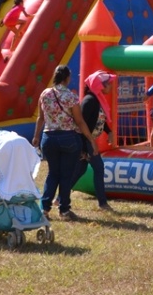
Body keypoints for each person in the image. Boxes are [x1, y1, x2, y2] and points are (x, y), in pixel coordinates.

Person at [33, 65, 96, 221]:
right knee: (66, 176)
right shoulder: (71, 97)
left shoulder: (45, 94)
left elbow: (40, 118)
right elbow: (80, 121)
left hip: (48, 137)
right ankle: (64, 210)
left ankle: (44, 208)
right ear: (67, 78)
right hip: (68, 138)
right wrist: (90, 139)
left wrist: (36, 136)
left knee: (52, 173)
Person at [73, 71, 115, 211]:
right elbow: (81, 124)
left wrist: (109, 132)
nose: (110, 86)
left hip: (88, 142)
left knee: (80, 169)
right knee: (99, 168)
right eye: (108, 84)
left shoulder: (97, 99)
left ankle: (60, 197)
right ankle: (102, 203)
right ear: (100, 85)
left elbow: (99, 119)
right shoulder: (89, 101)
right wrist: (85, 147)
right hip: (86, 142)